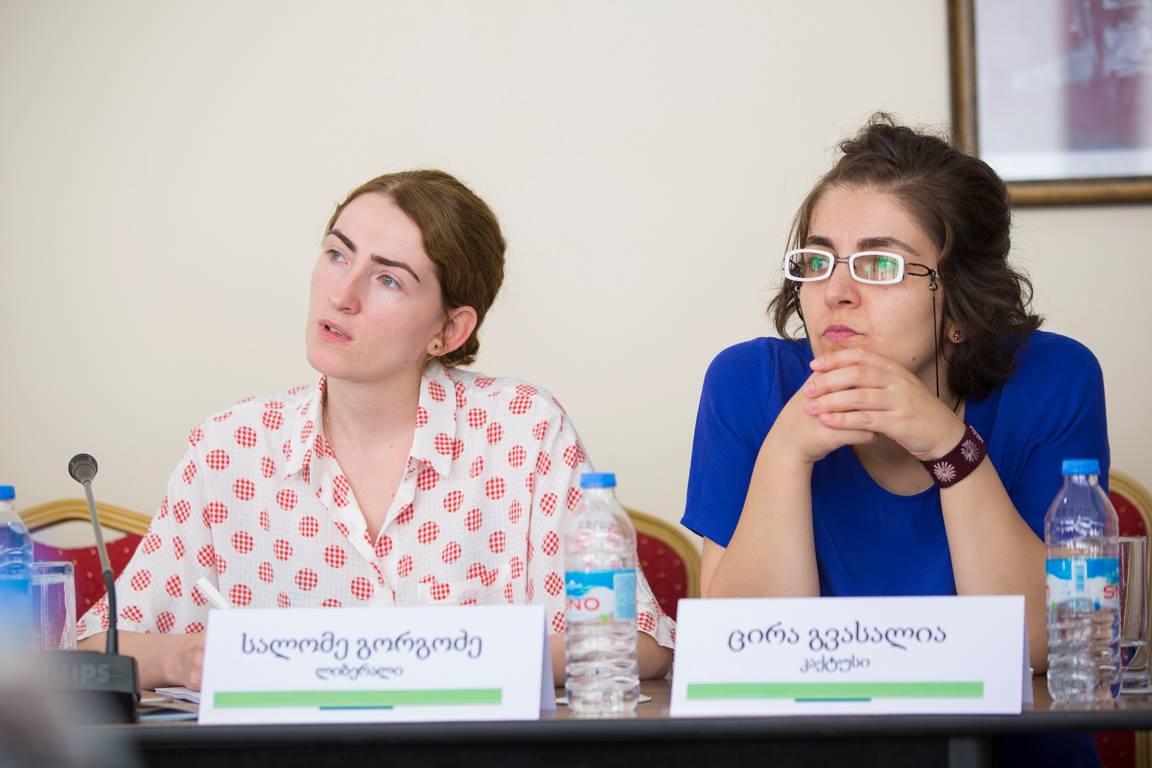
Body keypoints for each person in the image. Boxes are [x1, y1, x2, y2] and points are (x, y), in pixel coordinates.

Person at [77, 170, 674, 689]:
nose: (341, 294)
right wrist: (186, 658)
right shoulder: (231, 447)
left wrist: (426, 662)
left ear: (449, 330)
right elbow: (94, 648)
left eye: (388, 279)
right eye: (338, 255)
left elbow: (639, 643)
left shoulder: (523, 431)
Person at [682, 115, 1107, 765]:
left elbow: (1042, 645)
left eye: (879, 265)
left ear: (961, 306)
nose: (836, 293)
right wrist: (785, 453)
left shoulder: (1055, 378)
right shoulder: (748, 384)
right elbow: (744, 654)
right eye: (818, 261)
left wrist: (949, 445)